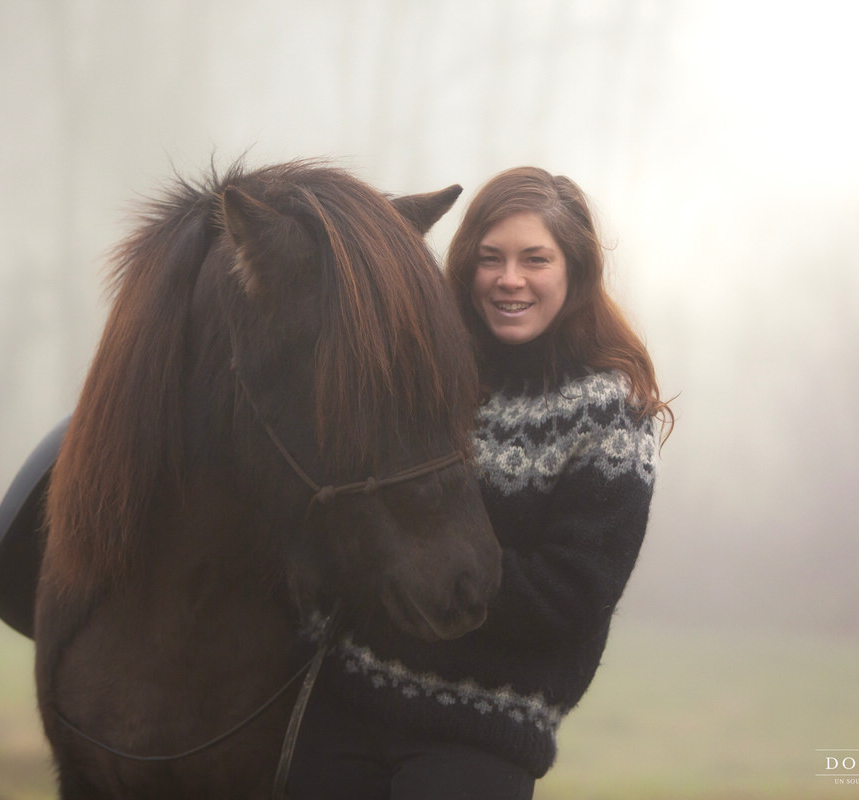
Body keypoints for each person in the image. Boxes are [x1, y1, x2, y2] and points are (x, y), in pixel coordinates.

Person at [287, 166, 673, 799]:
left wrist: (415, 568)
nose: (509, 279)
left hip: (480, 735)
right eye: (489, 258)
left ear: (574, 270)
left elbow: (571, 596)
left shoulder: (609, 411)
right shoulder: (423, 377)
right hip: (340, 708)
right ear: (465, 268)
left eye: (535, 259)